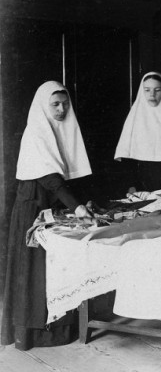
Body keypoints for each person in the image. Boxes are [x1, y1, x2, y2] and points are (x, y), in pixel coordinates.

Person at [1, 81, 94, 350]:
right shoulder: (36, 132)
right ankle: (33, 334)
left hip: (53, 205)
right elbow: (51, 179)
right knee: (35, 270)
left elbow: (69, 175)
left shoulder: (59, 129)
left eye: (65, 104)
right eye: (55, 104)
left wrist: (80, 203)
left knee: (55, 268)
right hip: (33, 206)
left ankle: (60, 329)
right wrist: (78, 207)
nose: (61, 109)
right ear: (44, 105)